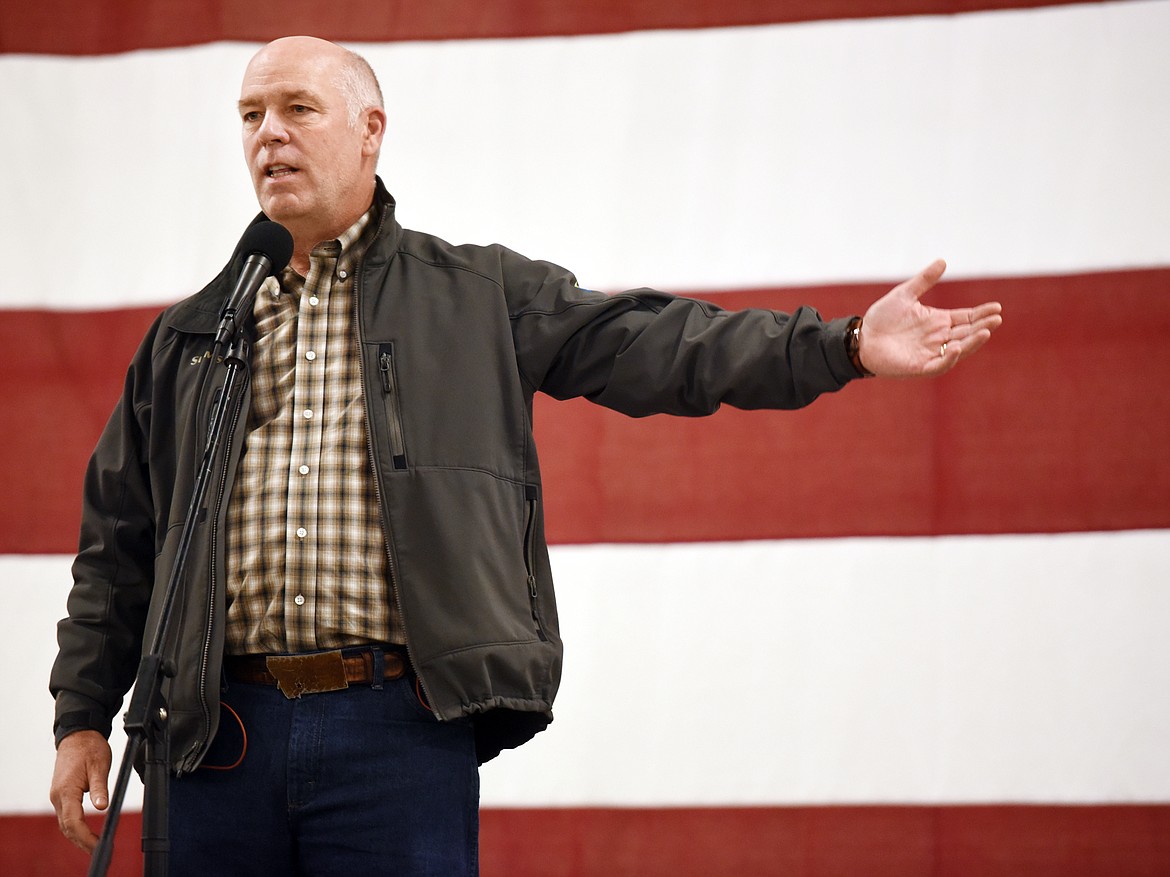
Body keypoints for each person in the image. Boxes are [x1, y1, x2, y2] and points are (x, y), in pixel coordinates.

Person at [48, 35, 1003, 876]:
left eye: (299, 109)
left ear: (371, 129)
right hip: (217, 736)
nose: (269, 134)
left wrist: (837, 346)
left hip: (398, 726)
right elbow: (119, 543)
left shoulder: (475, 293)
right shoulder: (191, 335)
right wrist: (82, 713)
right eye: (251, 114)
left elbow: (659, 344)